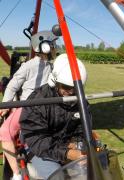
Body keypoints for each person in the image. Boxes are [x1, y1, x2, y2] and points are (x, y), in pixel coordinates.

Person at [20, 54, 90, 179]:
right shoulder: (38, 101)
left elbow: (83, 130)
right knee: (57, 176)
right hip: (38, 149)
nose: (72, 92)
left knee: (92, 171)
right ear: (54, 81)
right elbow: (37, 141)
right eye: (67, 87)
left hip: (64, 146)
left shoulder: (80, 101)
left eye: (76, 88)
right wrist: (67, 152)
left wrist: (77, 143)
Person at [0, 30, 58, 180]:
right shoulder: (31, 66)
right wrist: (6, 105)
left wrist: (6, 105)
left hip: (35, 108)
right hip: (36, 108)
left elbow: (12, 86)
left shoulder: (51, 67)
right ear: (44, 47)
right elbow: (12, 85)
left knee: (3, 133)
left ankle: (17, 174)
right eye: (52, 45)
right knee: (6, 131)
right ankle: (18, 172)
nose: (55, 48)